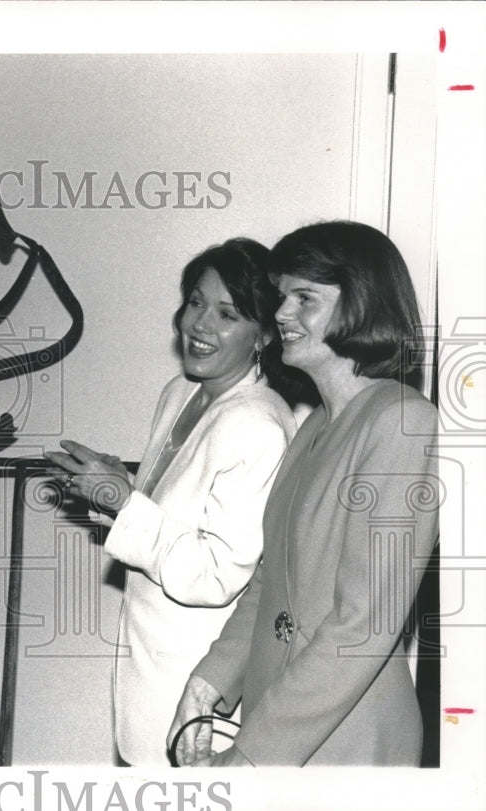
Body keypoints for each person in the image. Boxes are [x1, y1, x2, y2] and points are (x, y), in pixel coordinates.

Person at [169, 221, 439, 767]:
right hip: (284, 725)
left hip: (348, 741)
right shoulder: (313, 425)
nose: (282, 314)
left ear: (360, 306)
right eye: (282, 296)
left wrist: (251, 755)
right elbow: (273, 581)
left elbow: (365, 624)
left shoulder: (401, 421)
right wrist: (209, 680)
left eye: (304, 299)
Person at [46, 238, 299, 766]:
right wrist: (115, 487)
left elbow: (215, 575)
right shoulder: (180, 392)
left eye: (227, 313)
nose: (200, 324)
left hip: (196, 684)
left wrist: (122, 501)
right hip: (145, 670)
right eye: (195, 302)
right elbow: (170, 517)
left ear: (265, 336)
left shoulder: (258, 423)